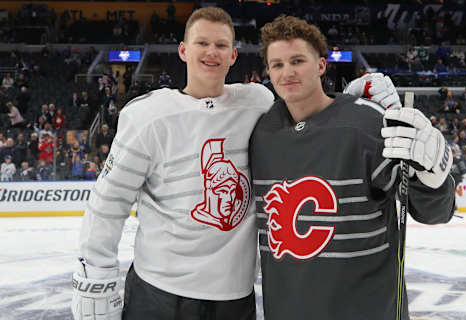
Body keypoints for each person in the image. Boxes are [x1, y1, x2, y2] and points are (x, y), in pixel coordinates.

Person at [71, 8, 399, 320]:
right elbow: (109, 202)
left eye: (221, 45)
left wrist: (350, 100)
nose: (211, 52)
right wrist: (95, 274)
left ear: (233, 55)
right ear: (183, 50)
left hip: (234, 299)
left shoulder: (255, 102)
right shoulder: (147, 116)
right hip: (159, 294)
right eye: (202, 43)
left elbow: (305, 105)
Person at [249, 15, 455, 320]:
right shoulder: (261, 133)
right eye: (277, 64)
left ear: (321, 65)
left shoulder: (366, 125)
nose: (287, 72)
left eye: (297, 60)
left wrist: (433, 179)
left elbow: (433, 212)